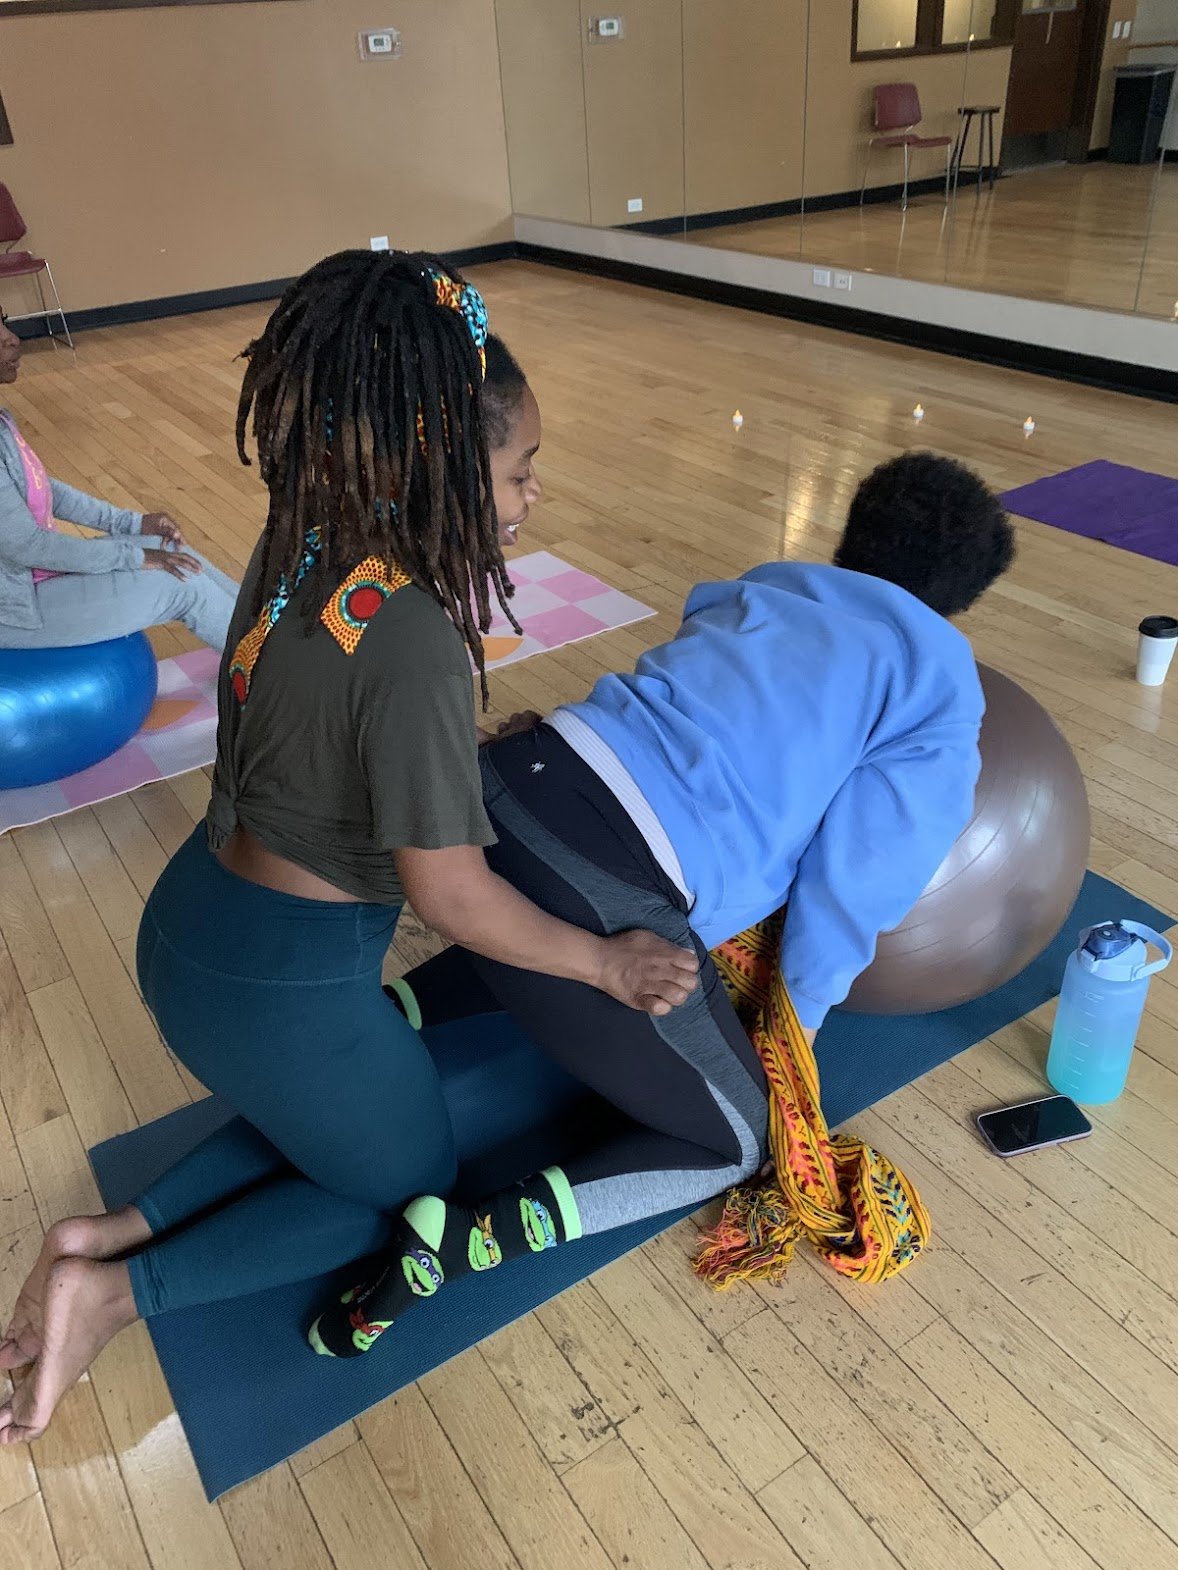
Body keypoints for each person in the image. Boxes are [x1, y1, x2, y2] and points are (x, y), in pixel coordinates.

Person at [0, 249, 696, 1443]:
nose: (529, 498)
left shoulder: (302, 528)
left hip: (192, 924)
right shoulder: (420, 642)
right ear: (431, 461)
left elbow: (301, 715)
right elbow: (457, 900)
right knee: (403, 1194)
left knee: (330, 1116)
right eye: (518, 470)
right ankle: (112, 1290)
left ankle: (108, 1227)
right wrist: (604, 965)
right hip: (280, 985)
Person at [0, 311, 237, 652]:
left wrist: (132, 524)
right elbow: (30, 547)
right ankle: (278, 684)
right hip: (15, 609)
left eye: (4, 323)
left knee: (171, 549)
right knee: (184, 585)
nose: (12, 338)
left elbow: (41, 488)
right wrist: (136, 558)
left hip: (35, 579)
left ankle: (271, 637)